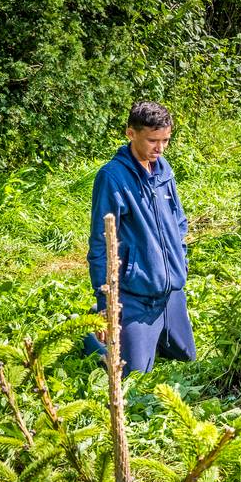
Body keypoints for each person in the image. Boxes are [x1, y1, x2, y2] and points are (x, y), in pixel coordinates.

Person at [85, 101, 196, 374]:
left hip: (171, 292)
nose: (159, 148)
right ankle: (89, 334)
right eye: (152, 141)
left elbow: (179, 220)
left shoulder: (163, 169)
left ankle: (151, 334)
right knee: (132, 372)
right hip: (136, 295)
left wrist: (180, 260)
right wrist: (106, 305)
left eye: (165, 140)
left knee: (186, 358)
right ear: (131, 134)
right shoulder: (112, 177)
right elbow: (101, 244)